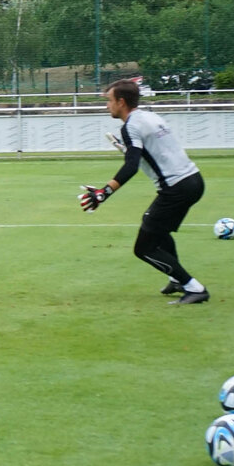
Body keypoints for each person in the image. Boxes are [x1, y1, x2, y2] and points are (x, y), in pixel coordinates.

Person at [78, 78, 208, 304]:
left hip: (176, 187)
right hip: (193, 180)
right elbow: (151, 152)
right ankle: (176, 279)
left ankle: (193, 287)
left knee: (144, 248)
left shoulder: (130, 127)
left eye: (109, 101)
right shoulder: (150, 116)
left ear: (121, 102)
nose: (107, 106)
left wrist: (103, 192)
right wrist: (131, 150)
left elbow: (131, 166)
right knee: (157, 229)